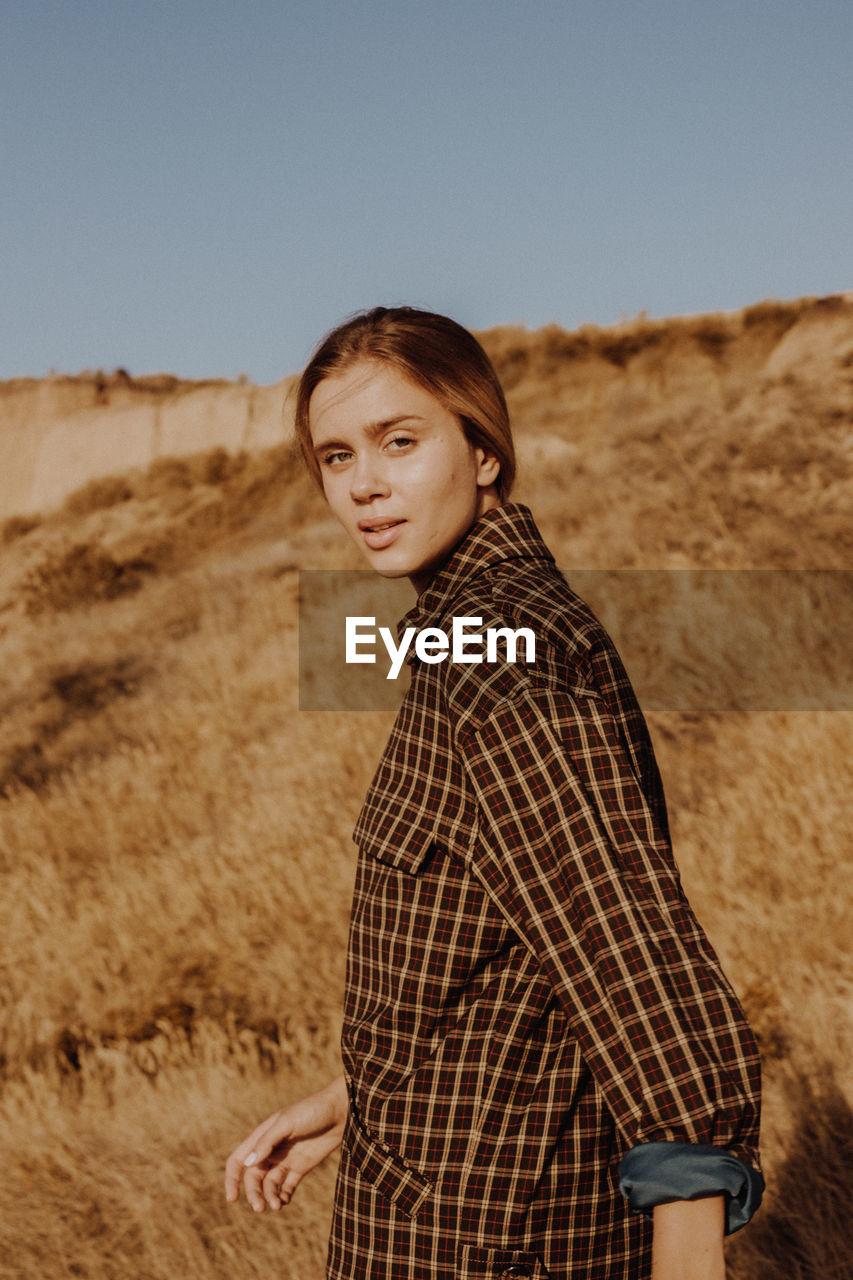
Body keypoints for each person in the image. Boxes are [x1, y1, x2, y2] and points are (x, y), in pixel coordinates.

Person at [224, 307, 763, 1280]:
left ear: (482, 450)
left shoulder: (500, 658)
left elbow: (629, 959)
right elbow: (505, 949)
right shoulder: (467, 631)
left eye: (400, 441)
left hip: (483, 1239)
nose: (365, 487)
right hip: (436, 1193)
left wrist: (687, 1240)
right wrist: (360, 1098)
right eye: (336, 457)